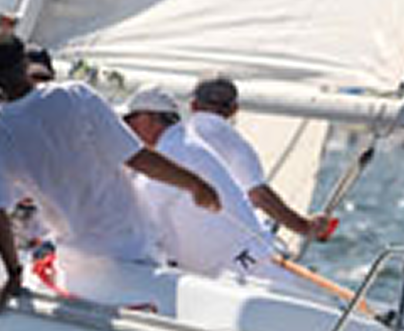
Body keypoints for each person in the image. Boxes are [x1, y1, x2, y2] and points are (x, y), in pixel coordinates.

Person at [0, 28, 221, 314]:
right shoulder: (75, 95)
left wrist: (13, 276)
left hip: (76, 261)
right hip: (131, 247)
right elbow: (138, 158)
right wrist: (195, 184)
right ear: (25, 63)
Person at [121, 86, 299, 286]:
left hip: (247, 274)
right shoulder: (180, 143)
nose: (125, 127)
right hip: (239, 270)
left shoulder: (174, 152)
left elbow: (137, 219)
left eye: (129, 119)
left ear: (150, 117)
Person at [187, 75, 334, 241]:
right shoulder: (236, 146)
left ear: (193, 106)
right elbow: (259, 196)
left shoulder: (174, 137)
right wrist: (305, 227)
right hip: (213, 241)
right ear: (234, 109)